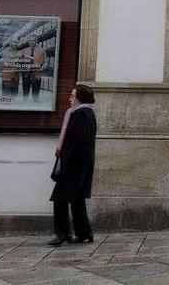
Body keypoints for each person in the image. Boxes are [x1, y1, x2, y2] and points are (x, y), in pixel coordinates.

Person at [48, 84, 97, 246]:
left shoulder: (81, 114)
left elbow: (79, 140)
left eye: (72, 96)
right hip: (78, 163)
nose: (69, 99)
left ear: (80, 98)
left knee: (60, 198)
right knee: (76, 198)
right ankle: (84, 233)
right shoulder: (84, 113)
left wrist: (66, 162)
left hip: (74, 164)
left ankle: (63, 233)